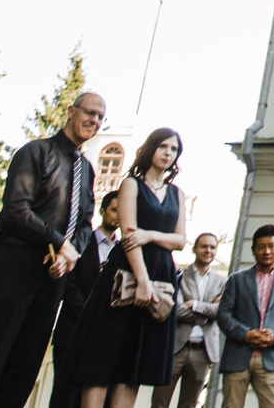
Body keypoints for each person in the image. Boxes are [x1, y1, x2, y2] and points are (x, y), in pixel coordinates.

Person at [0, 92, 108, 408]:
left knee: (26, 362)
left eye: (100, 118)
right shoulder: (35, 153)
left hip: (55, 277)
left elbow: (84, 224)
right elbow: (16, 210)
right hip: (16, 266)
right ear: (71, 111)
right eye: (89, 112)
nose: (94, 120)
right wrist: (58, 243)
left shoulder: (87, 170)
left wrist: (68, 258)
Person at [71, 127, 189, 408]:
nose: (168, 153)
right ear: (151, 149)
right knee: (103, 358)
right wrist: (143, 281)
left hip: (162, 273)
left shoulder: (177, 193)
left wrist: (150, 235)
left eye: (173, 150)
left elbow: (181, 240)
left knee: (133, 366)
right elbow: (128, 234)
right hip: (126, 273)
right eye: (163, 147)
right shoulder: (131, 185)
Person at [219, 226, 274, 408]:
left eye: (271, 246)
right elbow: (223, 314)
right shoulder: (236, 279)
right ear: (253, 250)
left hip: (271, 357)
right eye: (260, 247)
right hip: (238, 356)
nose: (266, 251)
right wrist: (245, 334)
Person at [54, 195, 124, 408]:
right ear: (102, 211)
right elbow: (69, 284)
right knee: (65, 397)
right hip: (72, 331)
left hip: (105, 336)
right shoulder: (82, 242)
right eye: (114, 210)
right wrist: (89, 313)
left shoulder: (123, 251)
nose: (118, 216)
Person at [158, 233, 226, 408]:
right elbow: (176, 310)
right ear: (194, 249)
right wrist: (208, 311)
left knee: (189, 404)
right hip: (175, 348)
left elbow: (222, 311)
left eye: (212, 247)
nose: (208, 251)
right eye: (204, 246)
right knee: (160, 402)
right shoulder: (180, 275)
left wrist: (194, 304)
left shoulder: (222, 282)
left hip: (202, 351)